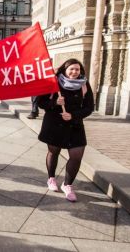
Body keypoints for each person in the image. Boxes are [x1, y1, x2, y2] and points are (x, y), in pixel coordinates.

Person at [37, 58, 94, 202]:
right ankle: (51, 178)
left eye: (77, 69)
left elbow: (89, 107)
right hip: (54, 124)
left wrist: (74, 115)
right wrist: (54, 103)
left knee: (76, 156)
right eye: (72, 69)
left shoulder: (84, 84)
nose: (75, 72)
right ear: (65, 70)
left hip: (74, 125)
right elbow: (40, 102)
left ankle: (67, 185)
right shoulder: (53, 82)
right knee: (53, 152)